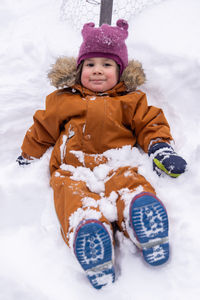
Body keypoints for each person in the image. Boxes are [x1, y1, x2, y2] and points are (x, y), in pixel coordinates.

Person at [17, 19, 187, 289]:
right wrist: (28, 154)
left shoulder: (130, 100)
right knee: (70, 195)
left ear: (120, 71)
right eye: (90, 65)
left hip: (118, 162)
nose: (97, 71)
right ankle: (90, 233)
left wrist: (160, 148)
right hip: (73, 168)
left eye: (107, 65)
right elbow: (42, 128)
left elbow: (150, 123)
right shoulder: (63, 99)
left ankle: (139, 215)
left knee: (129, 184)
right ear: (79, 69)